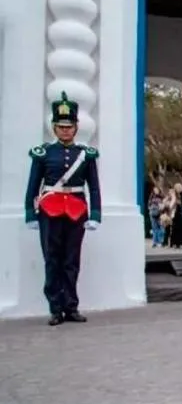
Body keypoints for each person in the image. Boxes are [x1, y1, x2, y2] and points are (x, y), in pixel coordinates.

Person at [24, 92, 102, 326]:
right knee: (52, 259)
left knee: (71, 260)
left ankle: (71, 306)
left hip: (77, 209)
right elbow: (33, 185)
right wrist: (30, 212)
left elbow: (94, 188)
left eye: (69, 127)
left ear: (76, 128)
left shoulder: (85, 155)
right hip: (50, 210)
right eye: (61, 126)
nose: (65, 131)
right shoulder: (43, 154)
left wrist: (95, 214)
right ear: (54, 127)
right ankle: (55, 308)